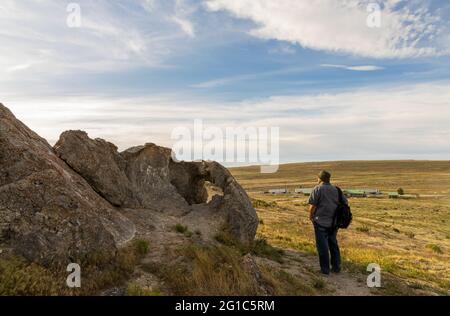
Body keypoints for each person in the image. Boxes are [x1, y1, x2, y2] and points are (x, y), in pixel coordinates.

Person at [308, 170, 348, 275]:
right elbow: (345, 202)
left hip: (320, 221)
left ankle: (325, 270)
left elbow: (312, 206)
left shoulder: (317, 189)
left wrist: (311, 216)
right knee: (333, 244)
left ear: (320, 179)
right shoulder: (337, 189)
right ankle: (336, 267)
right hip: (334, 223)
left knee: (322, 246)